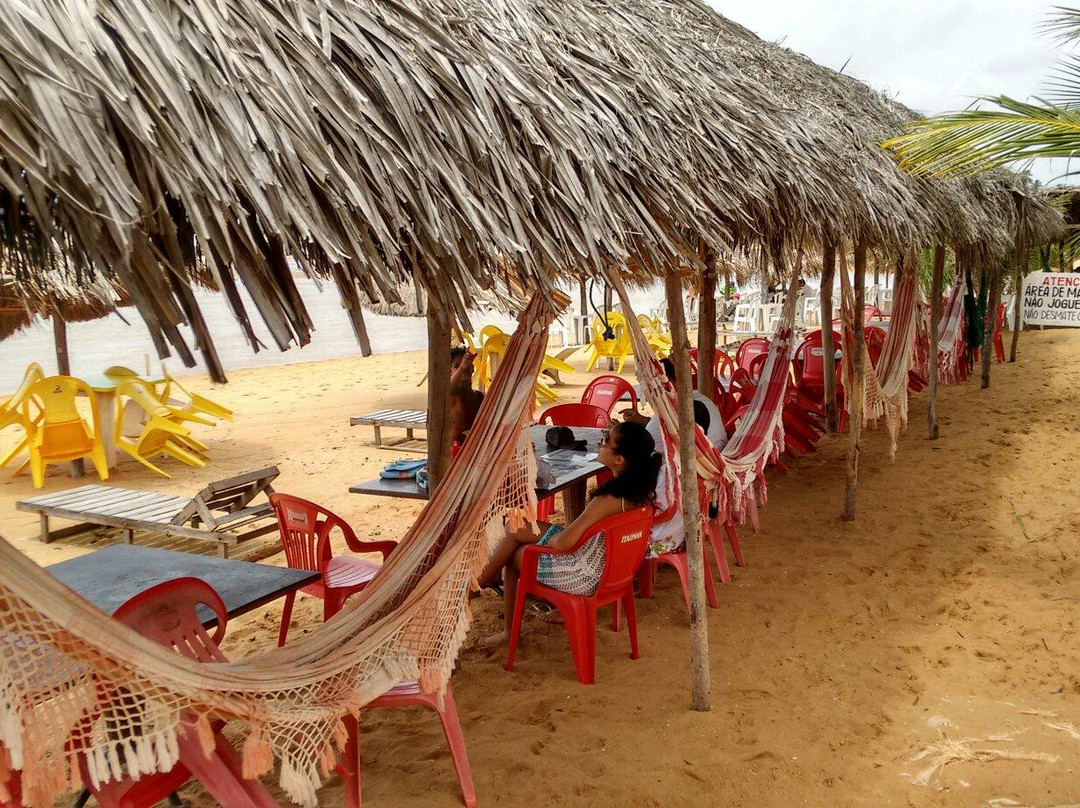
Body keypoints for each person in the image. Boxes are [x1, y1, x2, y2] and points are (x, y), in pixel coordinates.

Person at [476, 421, 662, 647]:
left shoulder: (608, 500)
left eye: (605, 440)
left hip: (584, 575)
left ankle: (478, 597)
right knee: (517, 525)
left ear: (619, 459)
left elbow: (563, 543)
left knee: (516, 553)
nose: (600, 443)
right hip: (610, 569)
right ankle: (483, 590)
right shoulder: (640, 491)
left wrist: (548, 539)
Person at [621, 358, 727, 450]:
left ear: (670, 384)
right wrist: (643, 420)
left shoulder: (674, 409)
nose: (647, 393)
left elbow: (640, 447)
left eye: (650, 387)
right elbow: (670, 428)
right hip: (716, 458)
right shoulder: (701, 398)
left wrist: (620, 433)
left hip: (697, 469)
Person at [449, 347, 484, 453]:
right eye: (457, 366)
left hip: (475, 453)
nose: (464, 368)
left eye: (467, 364)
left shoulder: (479, 397)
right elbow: (446, 390)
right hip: (454, 455)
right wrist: (463, 367)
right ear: (450, 372)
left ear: (473, 368)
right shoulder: (450, 397)